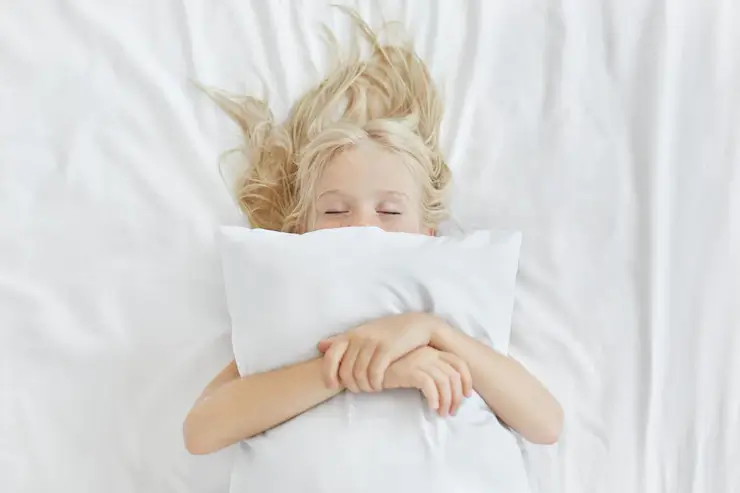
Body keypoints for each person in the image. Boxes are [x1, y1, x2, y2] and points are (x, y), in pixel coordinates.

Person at [183, 8, 562, 458]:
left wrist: (427, 329)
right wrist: (359, 370)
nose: (363, 225)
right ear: (301, 231)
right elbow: (201, 431)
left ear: (428, 234)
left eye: (388, 210)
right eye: (336, 209)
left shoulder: (448, 309)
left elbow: (546, 424)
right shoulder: (289, 312)